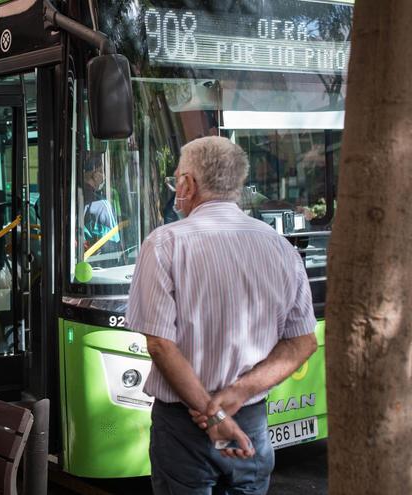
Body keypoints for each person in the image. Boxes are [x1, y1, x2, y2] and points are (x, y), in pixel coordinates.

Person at [126, 136, 318, 494]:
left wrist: (213, 416)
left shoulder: (165, 244)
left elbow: (160, 346)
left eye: (175, 180)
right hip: (250, 420)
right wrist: (238, 392)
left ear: (187, 184)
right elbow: (303, 342)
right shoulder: (279, 247)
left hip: (184, 428)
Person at [81, 155, 121, 258]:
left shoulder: (78, 193)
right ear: (94, 174)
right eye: (102, 172)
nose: (104, 177)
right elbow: (112, 244)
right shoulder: (101, 204)